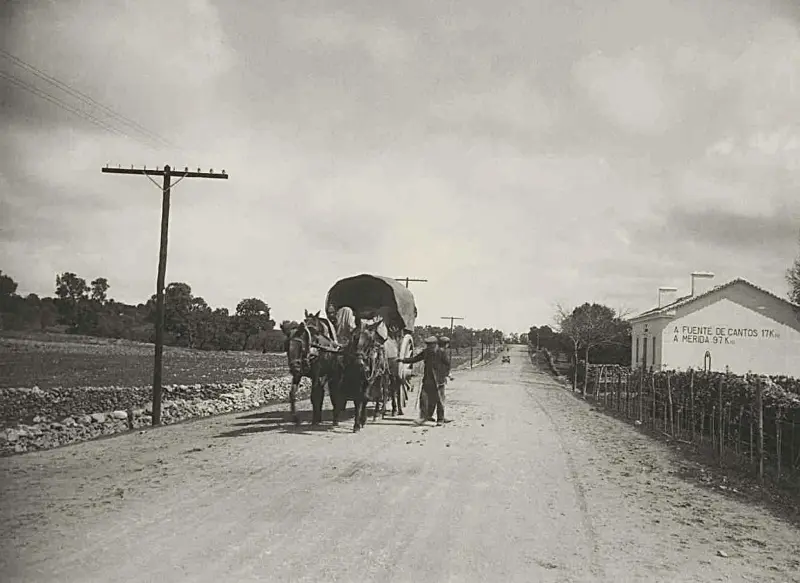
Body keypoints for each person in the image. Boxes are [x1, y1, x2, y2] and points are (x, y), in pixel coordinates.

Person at [397, 335, 446, 425]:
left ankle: (440, 419)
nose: (428, 346)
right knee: (423, 398)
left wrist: (445, 375)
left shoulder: (441, 352)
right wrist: (403, 360)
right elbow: (415, 359)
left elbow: (447, 365)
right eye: (427, 344)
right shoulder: (426, 352)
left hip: (438, 380)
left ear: (435, 345)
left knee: (439, 400)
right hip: (428, 379)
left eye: (430, 345)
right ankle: (423, 417)